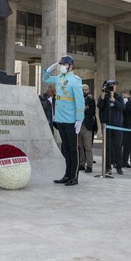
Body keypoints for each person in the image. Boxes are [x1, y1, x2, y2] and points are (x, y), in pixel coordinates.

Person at [42, 56, 84, 185]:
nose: (63, 66)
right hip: (60, 119)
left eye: (65, 64)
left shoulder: (75, 80)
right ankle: (67, 175)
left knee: (73, 149)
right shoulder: (59, 77)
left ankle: (74, 176)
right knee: (65, 148)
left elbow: (80, 101)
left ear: (71, 66)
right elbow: (45, 79)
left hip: (71, 119)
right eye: (61, 64)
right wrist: (48, 70)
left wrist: (79, 119)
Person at [97, 80, 125, 174]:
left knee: (118, 146)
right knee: (107, 147)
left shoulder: (118, 97)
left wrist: (113, 98)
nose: (112, 88)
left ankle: (119, 167)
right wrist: (103, 95)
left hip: (117, 126)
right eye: (110, 86)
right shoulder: (103, 97)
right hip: (106, 126)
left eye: (114, 86)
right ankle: (108, 167)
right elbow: (99, 106)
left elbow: (122, 108)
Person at [78, 84, 96, 173]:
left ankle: (89, 165)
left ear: (88, 90)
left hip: (87, 126)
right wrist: (84, 108)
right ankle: (81, 164)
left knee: (88, 147)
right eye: (82, 90)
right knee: (80, 146)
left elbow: (92, 111)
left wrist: (84, 109)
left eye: (85, 90)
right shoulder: (77, 98)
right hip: (78, 125)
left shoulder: (91, 99)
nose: (84, 91)